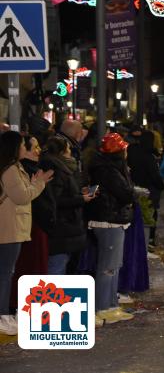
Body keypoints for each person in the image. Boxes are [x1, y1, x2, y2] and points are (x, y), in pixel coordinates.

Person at [0, 131, 52, 335]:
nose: (24, 147)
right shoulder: (11, 169)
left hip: (12, 227)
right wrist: (38, 183)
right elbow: (22, 196)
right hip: (10, 228)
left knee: (7, 272)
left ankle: (4, 313)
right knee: (6, 273)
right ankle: (2, 314)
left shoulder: (14, 167)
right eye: (22, 145)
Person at [87, 133, 135, 326]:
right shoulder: (109, 170)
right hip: (109, 220)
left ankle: (110, 304)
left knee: (113, 266)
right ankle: (103, 307)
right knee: (108, 266)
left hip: (111, 219)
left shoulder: (105, 168)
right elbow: (125, 193)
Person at [41, 136, 95, 274]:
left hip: (65, 227)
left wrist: (78, 193)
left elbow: (63, 192)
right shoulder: (56, 168)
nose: (71, 151)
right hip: (61, 227)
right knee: (56, 268)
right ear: (63, 151)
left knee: (60, 266)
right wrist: (81, 199)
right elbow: (55, 200)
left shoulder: (60, 167)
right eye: (69, 148)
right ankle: (52, 296)